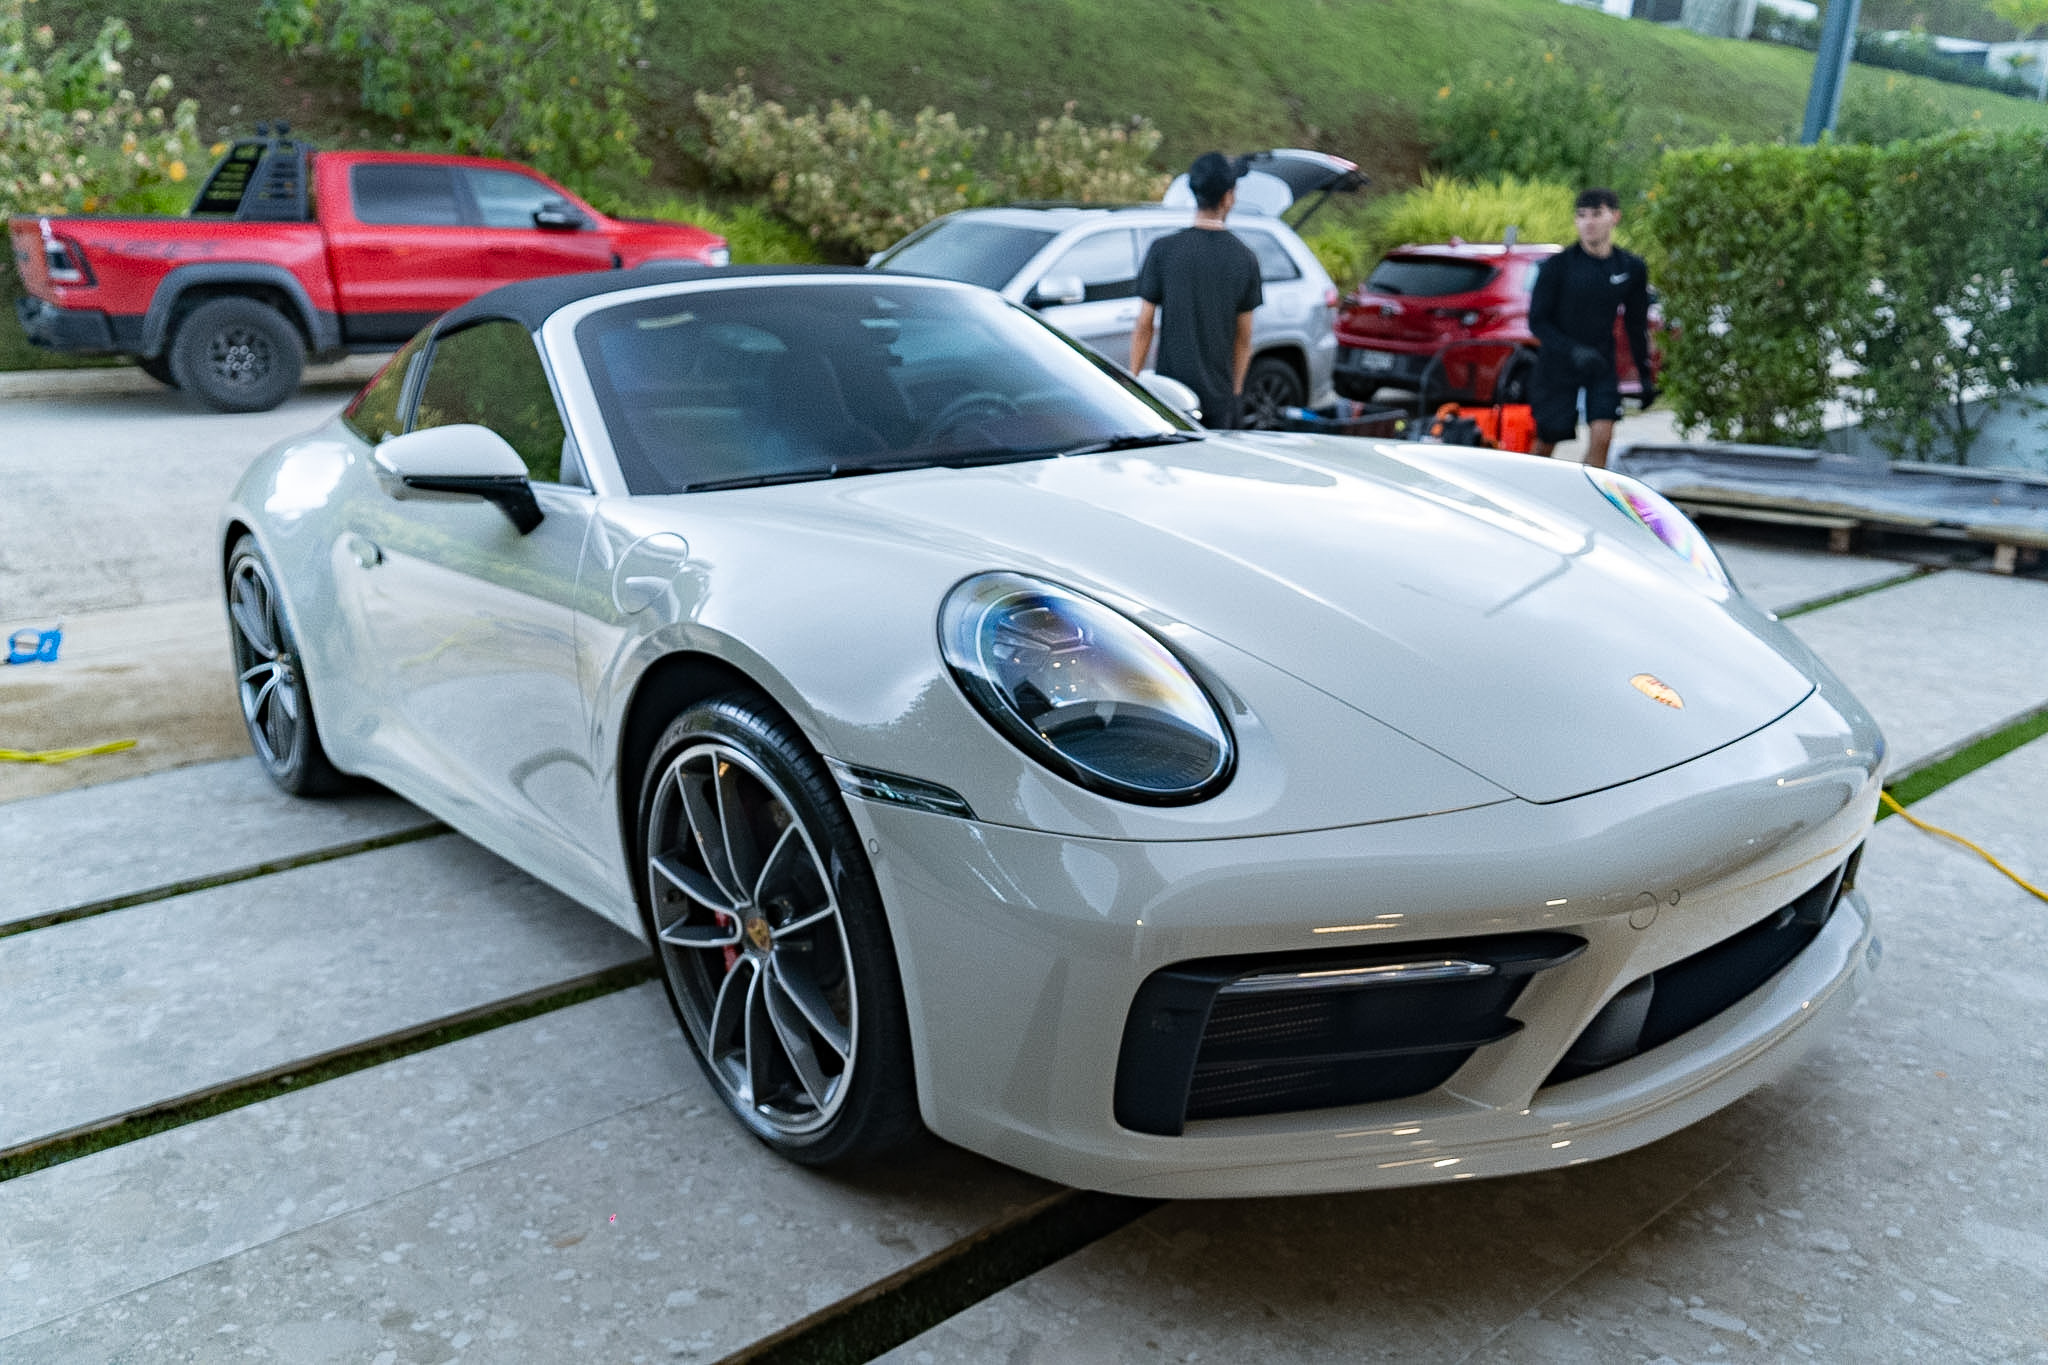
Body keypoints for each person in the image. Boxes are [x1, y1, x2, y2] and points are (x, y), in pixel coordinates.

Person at [1129, 153, 1263, 430]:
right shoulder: (1244, 258)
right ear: (1228, 197)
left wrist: (1134, 380)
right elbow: (1244, 337)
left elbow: (1144, 325)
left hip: (1170, 395)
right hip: (1219, 399)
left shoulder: (1163, 250)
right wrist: (1235, 392)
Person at [1526, 187, 1655, 470]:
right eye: (1582, 215)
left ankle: (1588, 490)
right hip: (1557, 364)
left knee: (1602, 436)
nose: (1588, 222)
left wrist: (1645, 376)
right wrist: (1573, 350)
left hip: (1599, 362)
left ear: (1615, 217)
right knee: (1547, 440)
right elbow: (1537, 322)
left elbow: (1636, 324)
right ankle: (1527, 488)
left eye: (1596, 214)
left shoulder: (1630, 267)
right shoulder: (1558, 266)